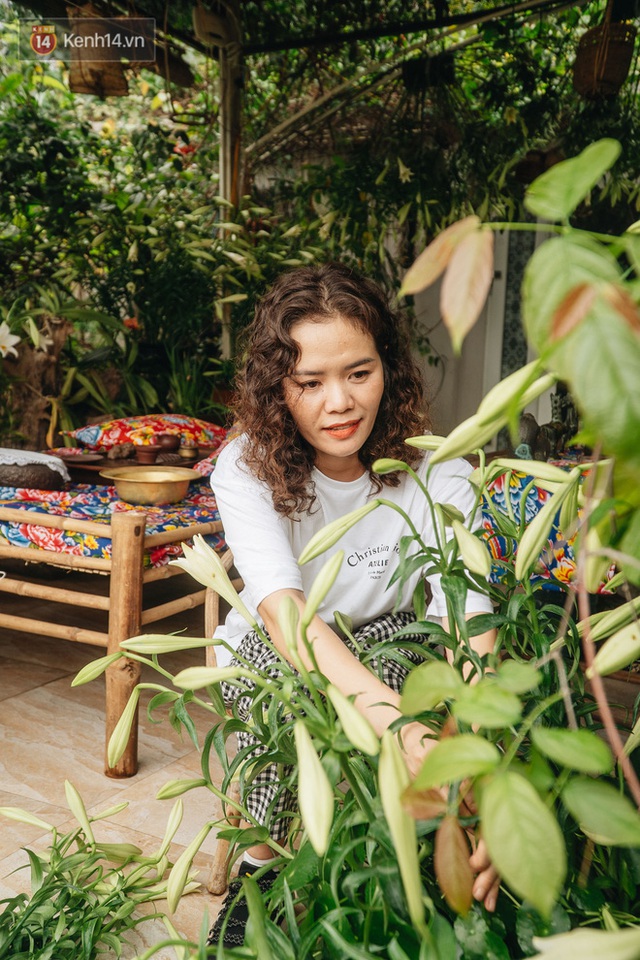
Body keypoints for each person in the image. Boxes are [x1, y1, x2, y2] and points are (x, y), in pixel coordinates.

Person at [208, 262, 499, 946]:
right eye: (310, 382)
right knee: (294, 710)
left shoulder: (441, 471)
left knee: (409, 671)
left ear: (389, 370)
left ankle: (402, 844)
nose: (338, 403)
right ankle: (263, 863)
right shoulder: (245, 466)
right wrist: (400, 726)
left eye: (358, 374)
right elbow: (285, 616)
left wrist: (477, 754)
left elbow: (470, 614)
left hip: (391, 636)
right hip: (280, 640)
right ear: (279, 387)